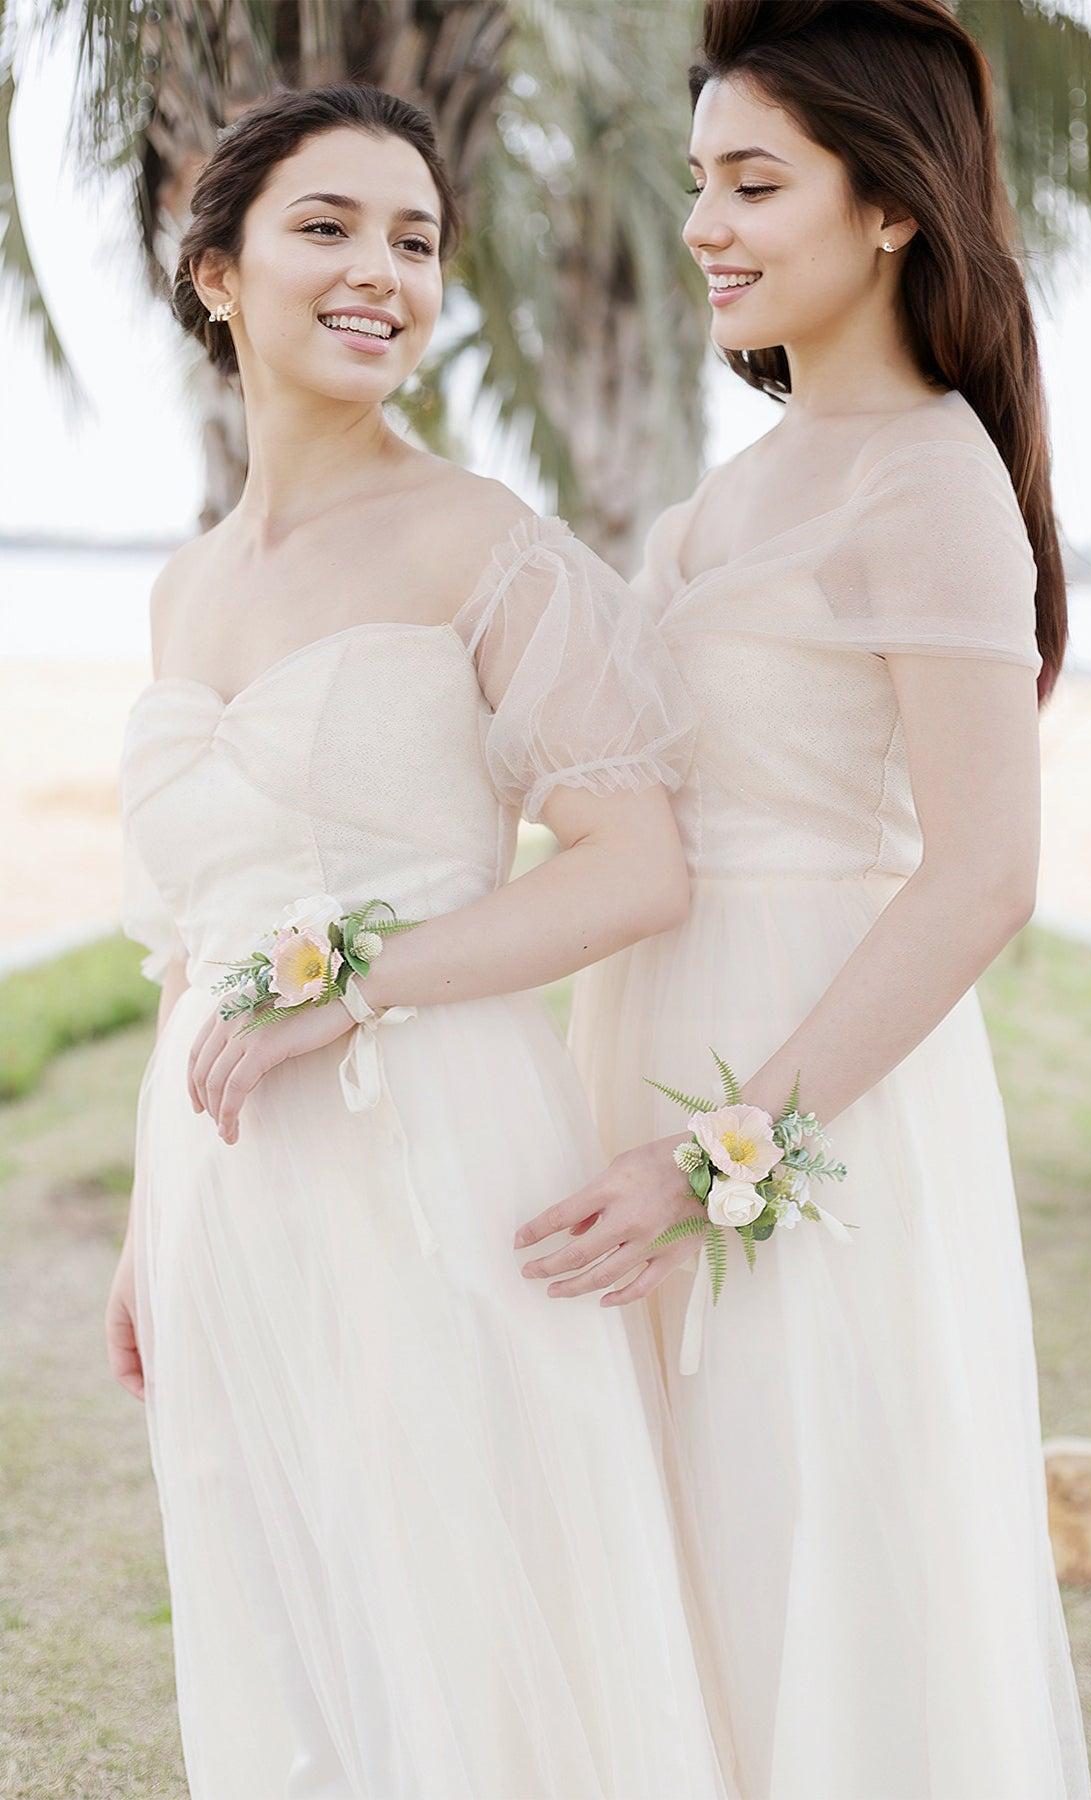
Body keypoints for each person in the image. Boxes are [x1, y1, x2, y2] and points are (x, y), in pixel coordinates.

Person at [104, 81, 728, 1800]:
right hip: (228, 1178)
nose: (380, 268)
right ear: (216, 270)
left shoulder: (481, 544)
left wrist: (353, 991)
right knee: (295, 1603)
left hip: (435, 1142)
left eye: (414, 238)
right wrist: (147, 1225)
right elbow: (188, 945)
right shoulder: (185, 585)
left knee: (474, 1607)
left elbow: (632, 866)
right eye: (326, 227)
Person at [516, 4, 1091, 1796]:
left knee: (808, 1538)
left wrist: (725, 1156)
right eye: (697, 180)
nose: (704, 224)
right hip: (653, 1037)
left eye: (754, 182)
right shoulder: (729, 499)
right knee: (676, 1548)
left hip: (803, 1098)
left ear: (892, 205)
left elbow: (986, 875)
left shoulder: (931, 481)